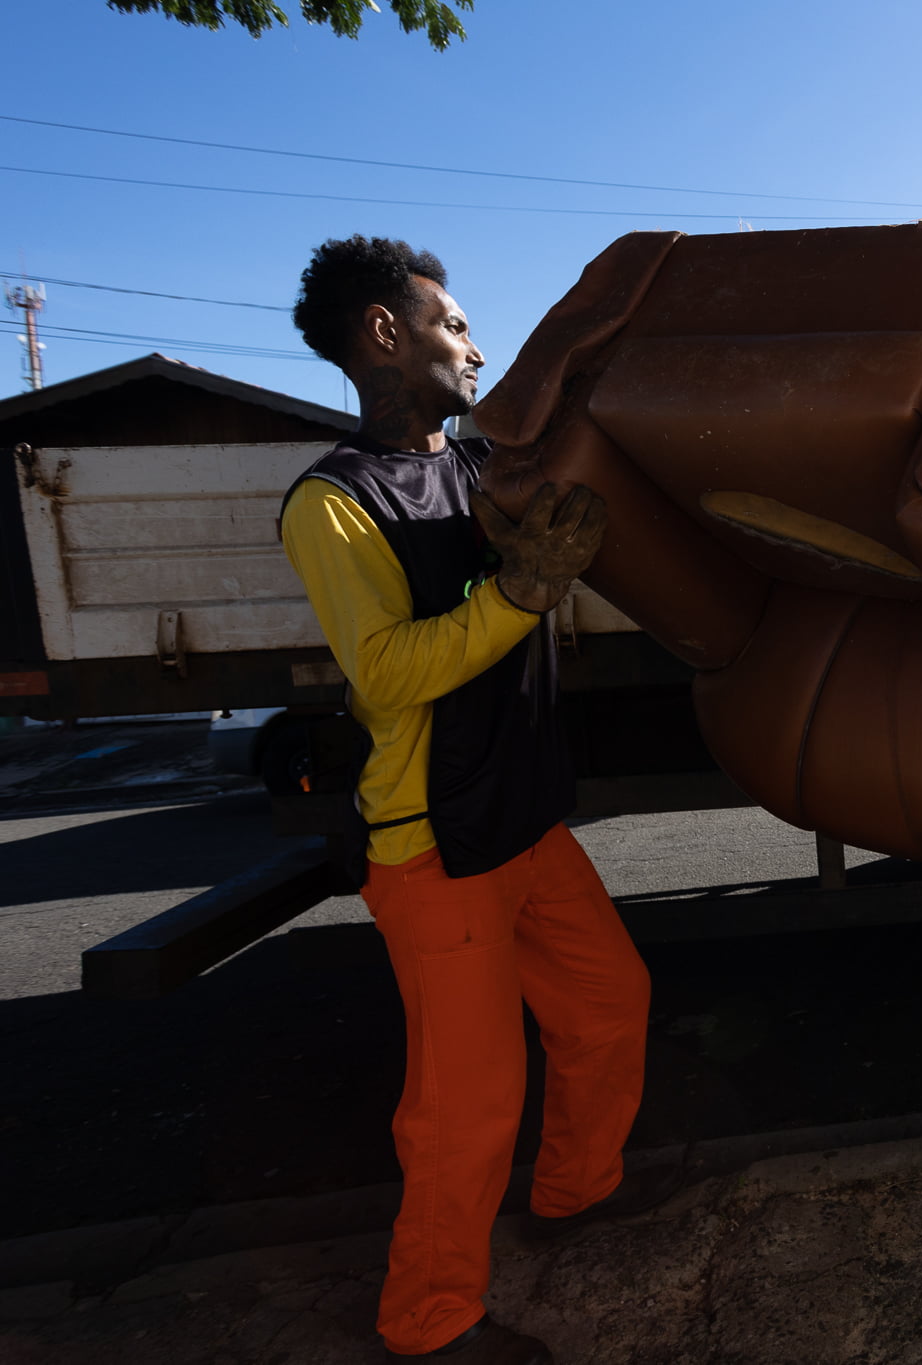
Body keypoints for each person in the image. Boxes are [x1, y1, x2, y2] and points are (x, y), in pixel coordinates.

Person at [281, 236, 672, 1364]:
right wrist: (520, 593)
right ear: (384, 333)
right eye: (452, 325)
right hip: (431, 843)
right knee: (468, 1103)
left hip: (521, 817)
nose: (476, 347)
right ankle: (429, 1321)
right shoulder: (332, 502)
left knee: (607, 1006)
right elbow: (387, 671)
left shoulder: (477, 469)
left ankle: (573, 1193)